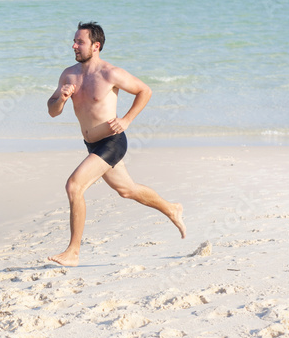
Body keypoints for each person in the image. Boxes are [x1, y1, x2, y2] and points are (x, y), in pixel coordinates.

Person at [46, 21, 185, 266]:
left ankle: (73, 252)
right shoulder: (69, 75)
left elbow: (145, 90)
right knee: (127, 189)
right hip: (92, 145)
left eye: (80, 42)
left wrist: (127, 119)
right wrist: (62, 98)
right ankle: (172, 209)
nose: (74, 45)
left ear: (95, 46)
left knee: (74, 186)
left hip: (112, 142)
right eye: (74, 41)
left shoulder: (111, 73)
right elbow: (52, 111)